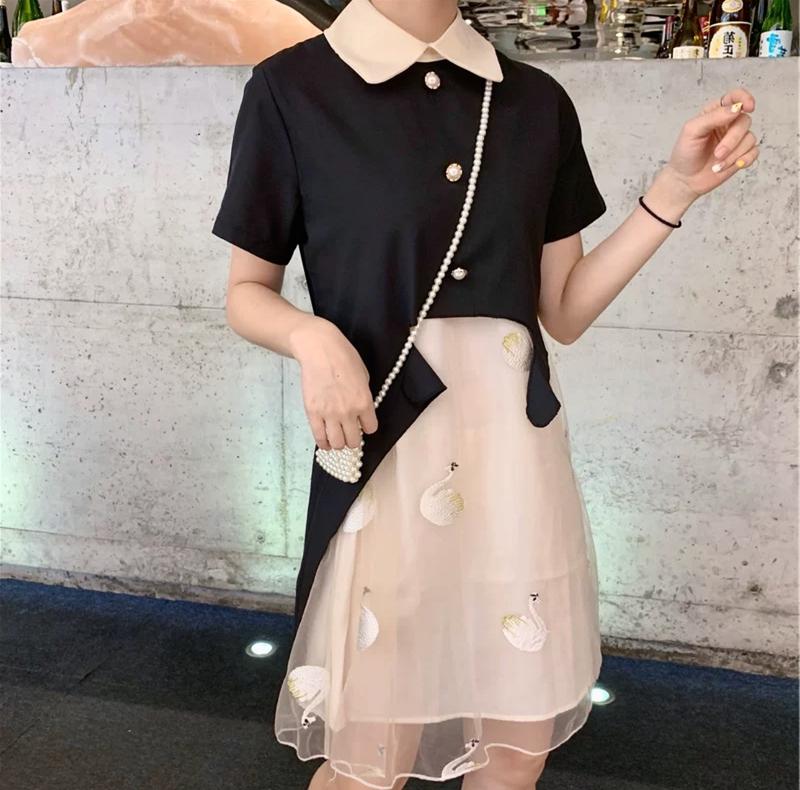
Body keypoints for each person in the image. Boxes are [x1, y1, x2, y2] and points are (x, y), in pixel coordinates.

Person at [210, 1, 759, 787]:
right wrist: (312, 338)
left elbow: (563, 309)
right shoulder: (293, 89)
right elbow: (246, 293)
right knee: (371, 754)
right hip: (390, 462)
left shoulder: (534, 101)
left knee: (515, 746)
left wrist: (673, 190)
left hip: (515, 458)